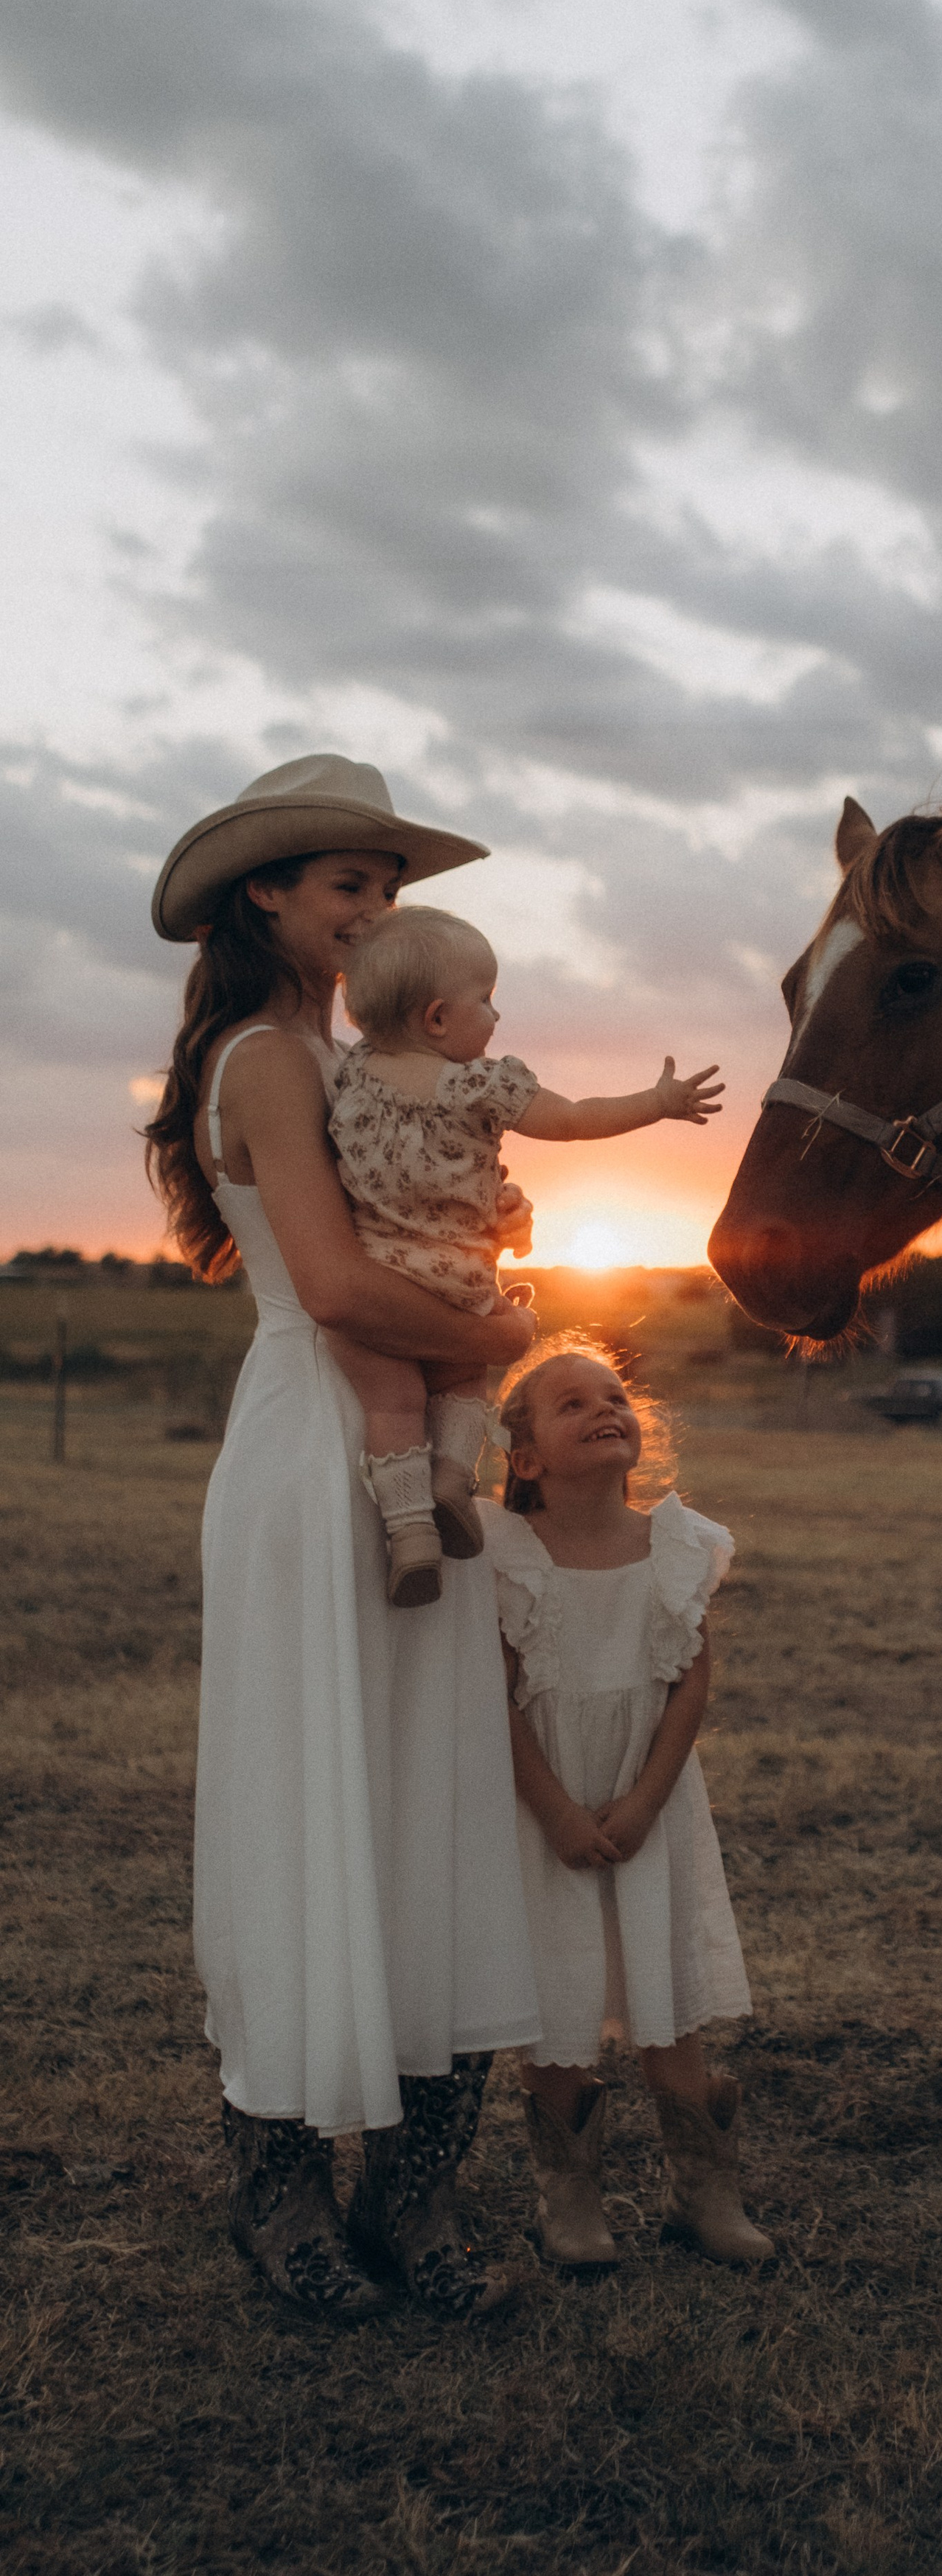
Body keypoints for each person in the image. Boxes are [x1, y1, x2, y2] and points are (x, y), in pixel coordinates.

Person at [144, 755, 543, 2322]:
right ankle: (283, 2199)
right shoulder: (266, 1060)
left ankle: (416, 2201)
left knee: (432, 1786)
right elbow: (329, 1286)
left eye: (390, 892)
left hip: (413, 1431)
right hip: (320, 1447)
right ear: (268, 896)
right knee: (310, 1790)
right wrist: (498, 1326)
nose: (378, 915)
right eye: (348, 887)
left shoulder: (372, 1064)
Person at [325, 901, 723, 1605]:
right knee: (461, 1382)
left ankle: (411, 1531)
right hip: (459, 1279)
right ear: (438, 1019)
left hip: (378, 1276)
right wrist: (656, 1102)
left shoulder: (352, 1077)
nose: (497, 1017)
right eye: (488, 998)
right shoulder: (480, 1084)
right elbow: (571, 1120)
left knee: (390, 1405)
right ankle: (453, 1477)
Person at [486, 1336, 772, 2272]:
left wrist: (647, 1800)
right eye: (571, 1403)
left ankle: (704, 2193)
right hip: (550, 1810)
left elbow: (690, 1683)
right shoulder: (508, 1558)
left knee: (669, 1991)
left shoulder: (677, 1547)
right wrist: (560, 1812)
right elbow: (496, 1703)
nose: (605, 1407)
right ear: (523, 1459)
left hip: (652, 1801)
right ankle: (568, 2199)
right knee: (563, 1989)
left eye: (614, 1394)